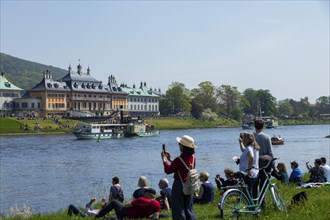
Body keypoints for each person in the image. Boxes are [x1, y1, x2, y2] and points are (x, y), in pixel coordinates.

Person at [161, 135, 197, 220]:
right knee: (188, 207)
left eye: (179, 144)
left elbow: (168, 170)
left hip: (179, 185)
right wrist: (170, 160)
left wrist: (164, 160)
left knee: (178, 208)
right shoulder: (193, 158)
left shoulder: (179, 159)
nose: (178, 145)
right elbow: (183, 167)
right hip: (190, 183)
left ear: (183, 146)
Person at [95, 187, 161, 219]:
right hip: (136, 217)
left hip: (125, 213)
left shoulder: (141, 199)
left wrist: (122, 204)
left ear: (147, 193)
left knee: (114, 202)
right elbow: (155, 217)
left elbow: (127, 205)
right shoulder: (157, 204)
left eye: (145, 193)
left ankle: (98, 216)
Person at [253, 119, 274, 206]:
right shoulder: (267, 137)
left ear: (254, 126)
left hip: (253, 163)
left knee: (254, 184)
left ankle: (253, 202)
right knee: (263, 184)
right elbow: (270, 152)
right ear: (263, 126)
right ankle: (262, 202)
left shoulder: (251, 136)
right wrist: (273, 164)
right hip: (265, 164)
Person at [239, 132, 260, 199]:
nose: (243, 139)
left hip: (248, 174)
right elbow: (244, 150)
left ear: (249, 139)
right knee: (253, 192)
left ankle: (251, 207)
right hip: (254, 172)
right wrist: (241, 143)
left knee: (248, 193)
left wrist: (249, 170)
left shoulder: (249, 148)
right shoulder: (252, 147)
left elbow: (251, 156)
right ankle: (254, 206)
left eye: (244, 137)